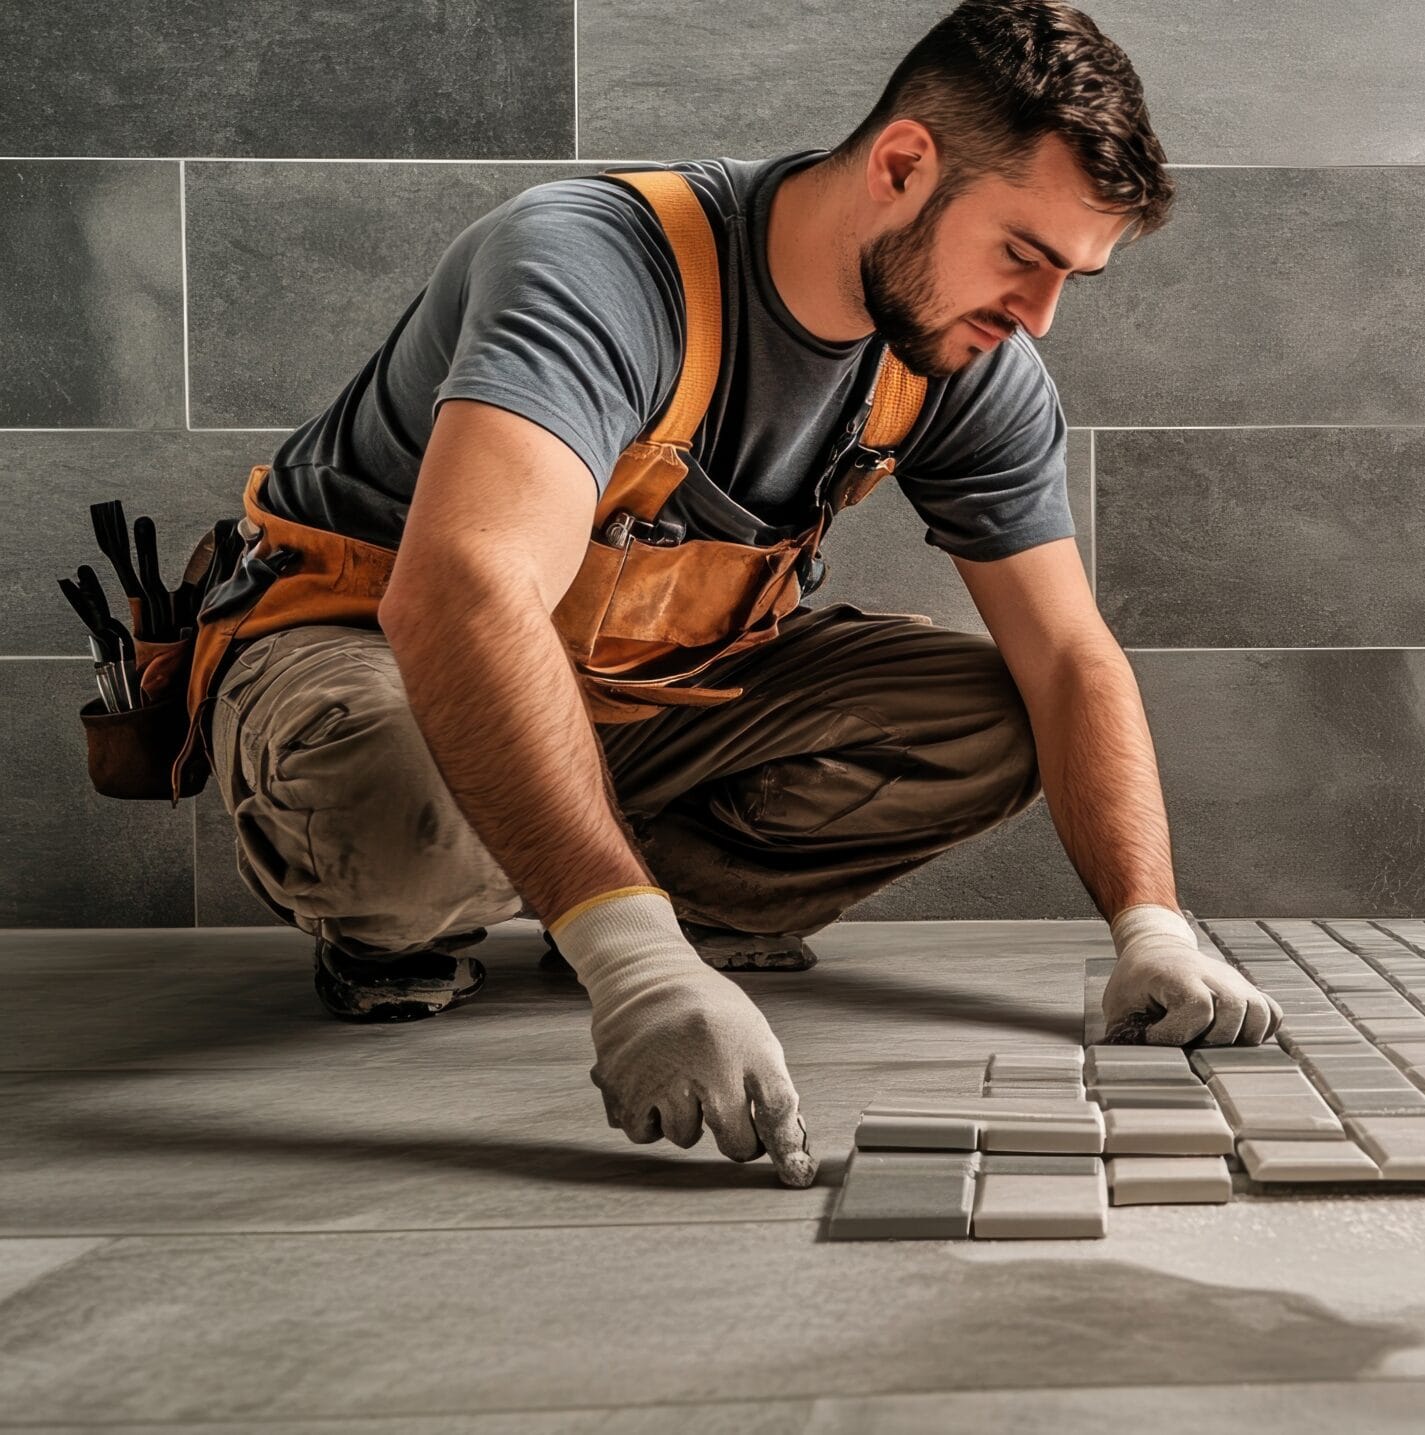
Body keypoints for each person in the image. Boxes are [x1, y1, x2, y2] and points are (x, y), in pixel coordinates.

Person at [200, 0, 1278, 1188]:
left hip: (649, 700)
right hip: (377, 659)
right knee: (391, 813)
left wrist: (1151, 928)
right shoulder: (595, 264)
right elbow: (458, 594)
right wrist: (634, 965)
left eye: (1073, 276)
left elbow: (1072, 655)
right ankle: (491, 913)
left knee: (1006, 711)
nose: (1036, 315)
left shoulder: (963, 357)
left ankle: (597, 879)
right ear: (904, 163)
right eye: (1022, 255)